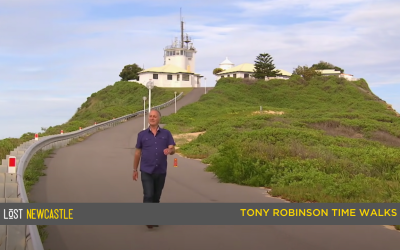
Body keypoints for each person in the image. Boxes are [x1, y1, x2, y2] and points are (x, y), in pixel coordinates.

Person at [133, 108, 176, 229]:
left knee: (156, 196)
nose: (152, 118)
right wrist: (134, 170)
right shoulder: (142, 135)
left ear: (159, 119)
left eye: (154, 116)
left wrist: (170, 150)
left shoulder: (166, 134)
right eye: (150, 116)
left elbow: (172, 149)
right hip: (146, 170)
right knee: (148, 194)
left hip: (161, 170)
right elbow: (137, 153)